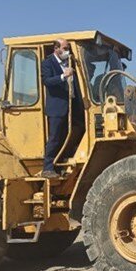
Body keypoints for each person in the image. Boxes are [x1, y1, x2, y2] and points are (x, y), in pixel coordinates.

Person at [41, 38, 86, 178]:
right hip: (56, 107)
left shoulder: (69, 63)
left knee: (67, 137)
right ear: (56, 48)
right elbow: (46, 81)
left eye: (68, 49)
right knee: (55, 138)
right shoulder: (48, 63)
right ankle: (47, 167)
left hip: (70, 107)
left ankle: (59, 165)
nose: (67, 52)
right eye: (65, 48)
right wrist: (62, 76)